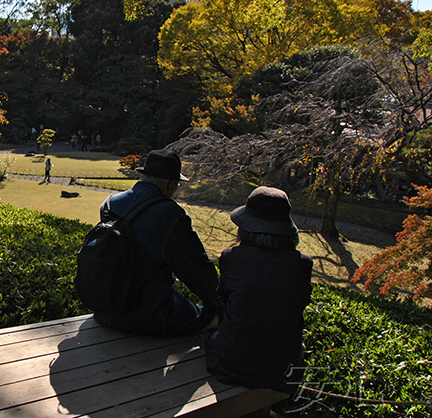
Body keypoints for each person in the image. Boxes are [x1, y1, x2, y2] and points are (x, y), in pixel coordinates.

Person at [91, 149, 221, 336]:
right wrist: (219, 303)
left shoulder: (110, 204)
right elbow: (196, 269)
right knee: (212, 320)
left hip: (104, 309)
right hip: (147, 314)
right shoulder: (171, 214)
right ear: (170, 185)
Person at [205, 186, 313, 394]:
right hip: (282, 369)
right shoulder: (302, 265)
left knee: (212, 334)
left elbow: (225, 302)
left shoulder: (232, 258)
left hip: (231, 363)